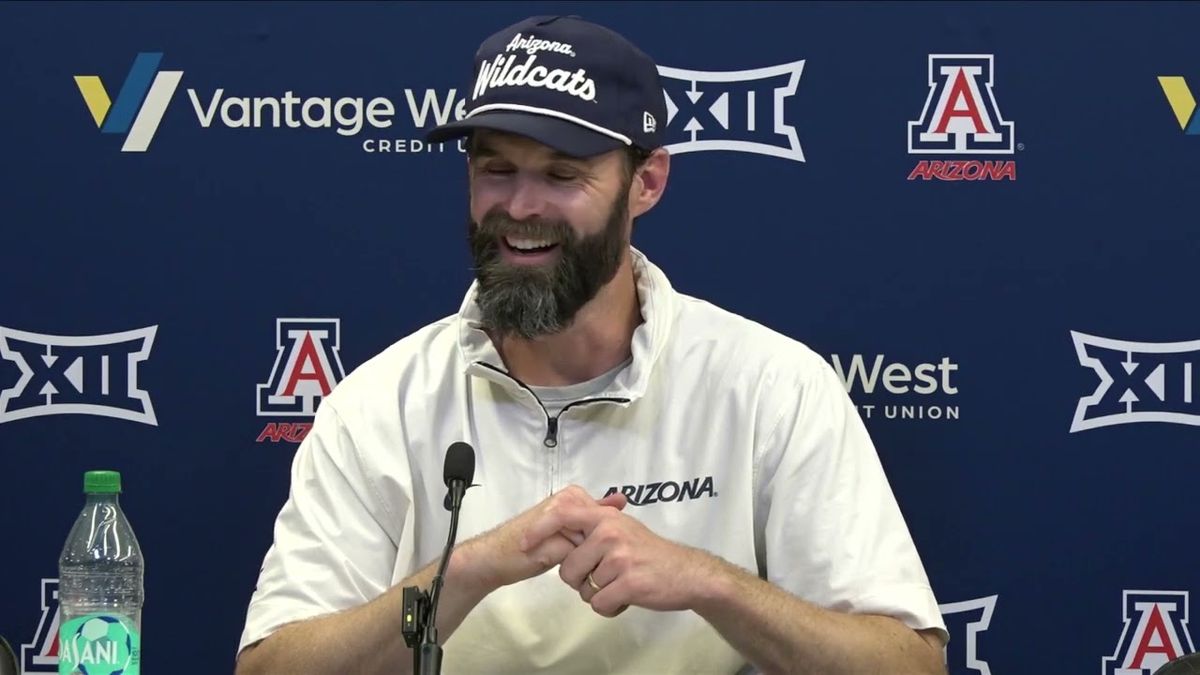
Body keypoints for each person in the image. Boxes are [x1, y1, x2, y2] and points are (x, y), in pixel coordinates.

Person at [235, 14, 948, 675]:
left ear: (647, 182)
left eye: (561, 174)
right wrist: (470, 571)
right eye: (496, 169)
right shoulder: (380, 403)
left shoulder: (771, 386)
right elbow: (270, 666)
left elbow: (910, 664)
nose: (521, 207)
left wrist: (710, 582)